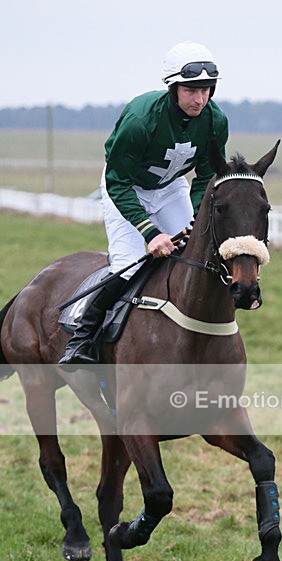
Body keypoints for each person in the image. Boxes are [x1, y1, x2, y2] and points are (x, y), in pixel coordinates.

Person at [59, 41, 229, 366]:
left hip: (170, 189)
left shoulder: (215, 122)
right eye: (192, 90)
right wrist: (150, 232)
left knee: (193, 255)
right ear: (173, 87)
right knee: (132, 264)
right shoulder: (141, 119)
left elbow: (206, 178)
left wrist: (194, 222)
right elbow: (117, 181)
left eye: (207, 90)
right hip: (126, 188)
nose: (200, 99)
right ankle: (81, 339)